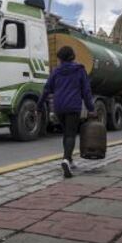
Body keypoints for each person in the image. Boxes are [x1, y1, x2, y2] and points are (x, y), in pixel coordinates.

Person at [38, 46, 95, 178]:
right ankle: (65, 159)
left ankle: (69, 160)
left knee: (66, 133)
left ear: (61, 59)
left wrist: (39, 106)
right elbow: (86, 91)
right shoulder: (79, 70)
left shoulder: (56, 71)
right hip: (73, 107)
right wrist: (91, 109)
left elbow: (46, 89)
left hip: (59, 107)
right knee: (70, 134)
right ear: (72, 56)